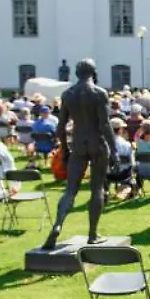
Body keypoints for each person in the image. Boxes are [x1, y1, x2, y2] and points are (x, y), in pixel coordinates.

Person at [43, 59, 120, 249]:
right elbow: (104, 124)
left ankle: (58, 224)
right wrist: (115, 150)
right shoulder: (99, 93)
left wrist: (64, 148)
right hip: (97, 143)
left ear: (76, 74)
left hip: (78, 143)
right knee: (97, 189)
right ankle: (92, 234)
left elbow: (61, 127)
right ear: (93, 72)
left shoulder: (68, 94)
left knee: (70, 190)